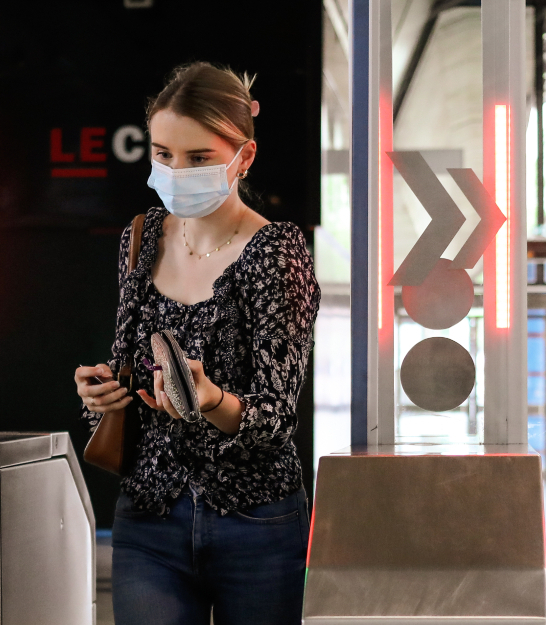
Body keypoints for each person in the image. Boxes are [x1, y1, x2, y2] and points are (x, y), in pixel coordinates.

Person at [72, 62, 319, 625]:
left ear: (243, 158)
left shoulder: (277, 254)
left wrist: (212, 401)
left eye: (199, 158)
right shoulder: (140, 239)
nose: (176, 170)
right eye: (162, 154)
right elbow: (128, 370)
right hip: (149, 518)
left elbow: (278, 416)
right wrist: (103, 396)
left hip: (256, 521)